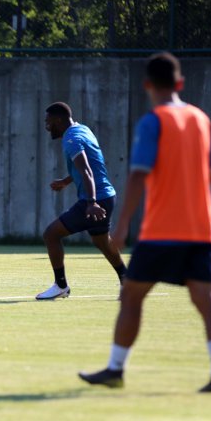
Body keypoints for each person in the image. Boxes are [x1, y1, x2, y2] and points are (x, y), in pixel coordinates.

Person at [79, 52, 211, 393]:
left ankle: (115, 369)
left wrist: (121, 226)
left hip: (162, 230)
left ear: (147, 85)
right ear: (180, 84)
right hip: (201, 229)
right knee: (207, 302)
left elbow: (138, 175)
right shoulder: (202, 119)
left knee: (131, 296)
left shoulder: (153, 121)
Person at [36, 102, 127, 300]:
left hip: (96, 199)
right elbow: (93, 164)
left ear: (59, 120)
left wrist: (92, 202)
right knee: (102, 241)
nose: (47, 126)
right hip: (107, 195)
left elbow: (86, 170)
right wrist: (67, 181)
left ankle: (61, 286)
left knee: (51, 235)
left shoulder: (72, 139)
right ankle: (126, 279)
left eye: (49, 121)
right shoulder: (82, 129)